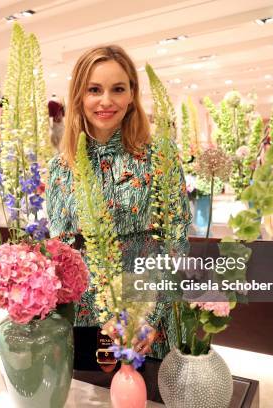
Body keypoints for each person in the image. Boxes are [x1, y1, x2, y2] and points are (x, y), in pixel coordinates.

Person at [46, 45, 191, 360]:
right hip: (87, 315)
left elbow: (176, 241)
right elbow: (60, 249)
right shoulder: (60, 167)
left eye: (118, 89)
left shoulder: (159, 155)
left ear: (132, 94)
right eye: (94, 89)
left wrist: (149, 317)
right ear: (79, 96)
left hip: (148, 311)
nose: (106, 101)